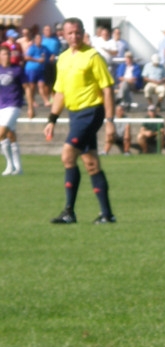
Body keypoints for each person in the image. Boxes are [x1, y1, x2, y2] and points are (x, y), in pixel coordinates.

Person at [43, 17, 117, 224]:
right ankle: (107, 215)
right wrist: (52, 119)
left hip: (91, 112)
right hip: (75, 115)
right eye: (70, 33)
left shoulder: (93, 56)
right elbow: (60, 92)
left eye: (77, 32)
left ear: (83, 33)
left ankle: (69, 211)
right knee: (91, 162)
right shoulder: (63, 58)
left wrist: (110, 121)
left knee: (68, 155)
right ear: (64, 35)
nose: (74, 36)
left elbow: (107, 89)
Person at [0, 45, 28, 176]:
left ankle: (10, 166)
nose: (6, 56)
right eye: (4, 54)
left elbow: (26, 87)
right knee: (10, 135)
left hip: (14, 105)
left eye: (8, 54)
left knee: (1, 133)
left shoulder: (17, 70)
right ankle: (18, 167)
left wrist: (31, 106)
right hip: (2, 106)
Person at [24, 31, 52, 117]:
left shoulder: (44, 48)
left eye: (40, 38)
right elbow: (27, 57)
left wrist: (52, 57)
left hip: (40, 70)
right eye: (37, 38)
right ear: (35, 40)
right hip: (31, 69)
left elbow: (50, 54)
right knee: (32, 87)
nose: (39, 40)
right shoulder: (32, 48)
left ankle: (45, 101)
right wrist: (37, 60)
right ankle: (32, 101)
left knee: (41, 85)